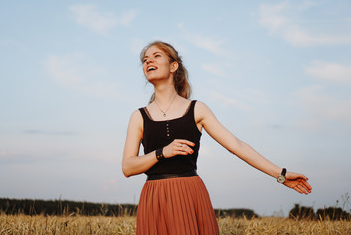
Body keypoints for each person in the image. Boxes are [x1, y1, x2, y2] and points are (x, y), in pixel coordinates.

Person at [122, 41, 312, 235]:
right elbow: (128, 167)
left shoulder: (197, 109)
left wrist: (280, 174)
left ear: (173, 66)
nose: (148, 61)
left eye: (156, 56)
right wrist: (162, 152)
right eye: (145, 59)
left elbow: (236, 146)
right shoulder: (138, 117)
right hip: (154, 200)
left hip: (190, 196)